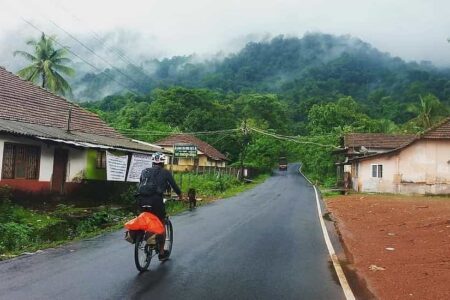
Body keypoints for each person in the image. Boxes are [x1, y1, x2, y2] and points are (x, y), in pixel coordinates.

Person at [137, 152, 182, 261]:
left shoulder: (145, 171)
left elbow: (140, 183)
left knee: (146, 218)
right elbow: (174, 186)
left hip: (141, 200)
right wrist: (180, 195)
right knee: (161, 223)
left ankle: (144, 236)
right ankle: (161, 253)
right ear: (163, 162)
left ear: (153, 162)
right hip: (156, 201)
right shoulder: (165, 172)